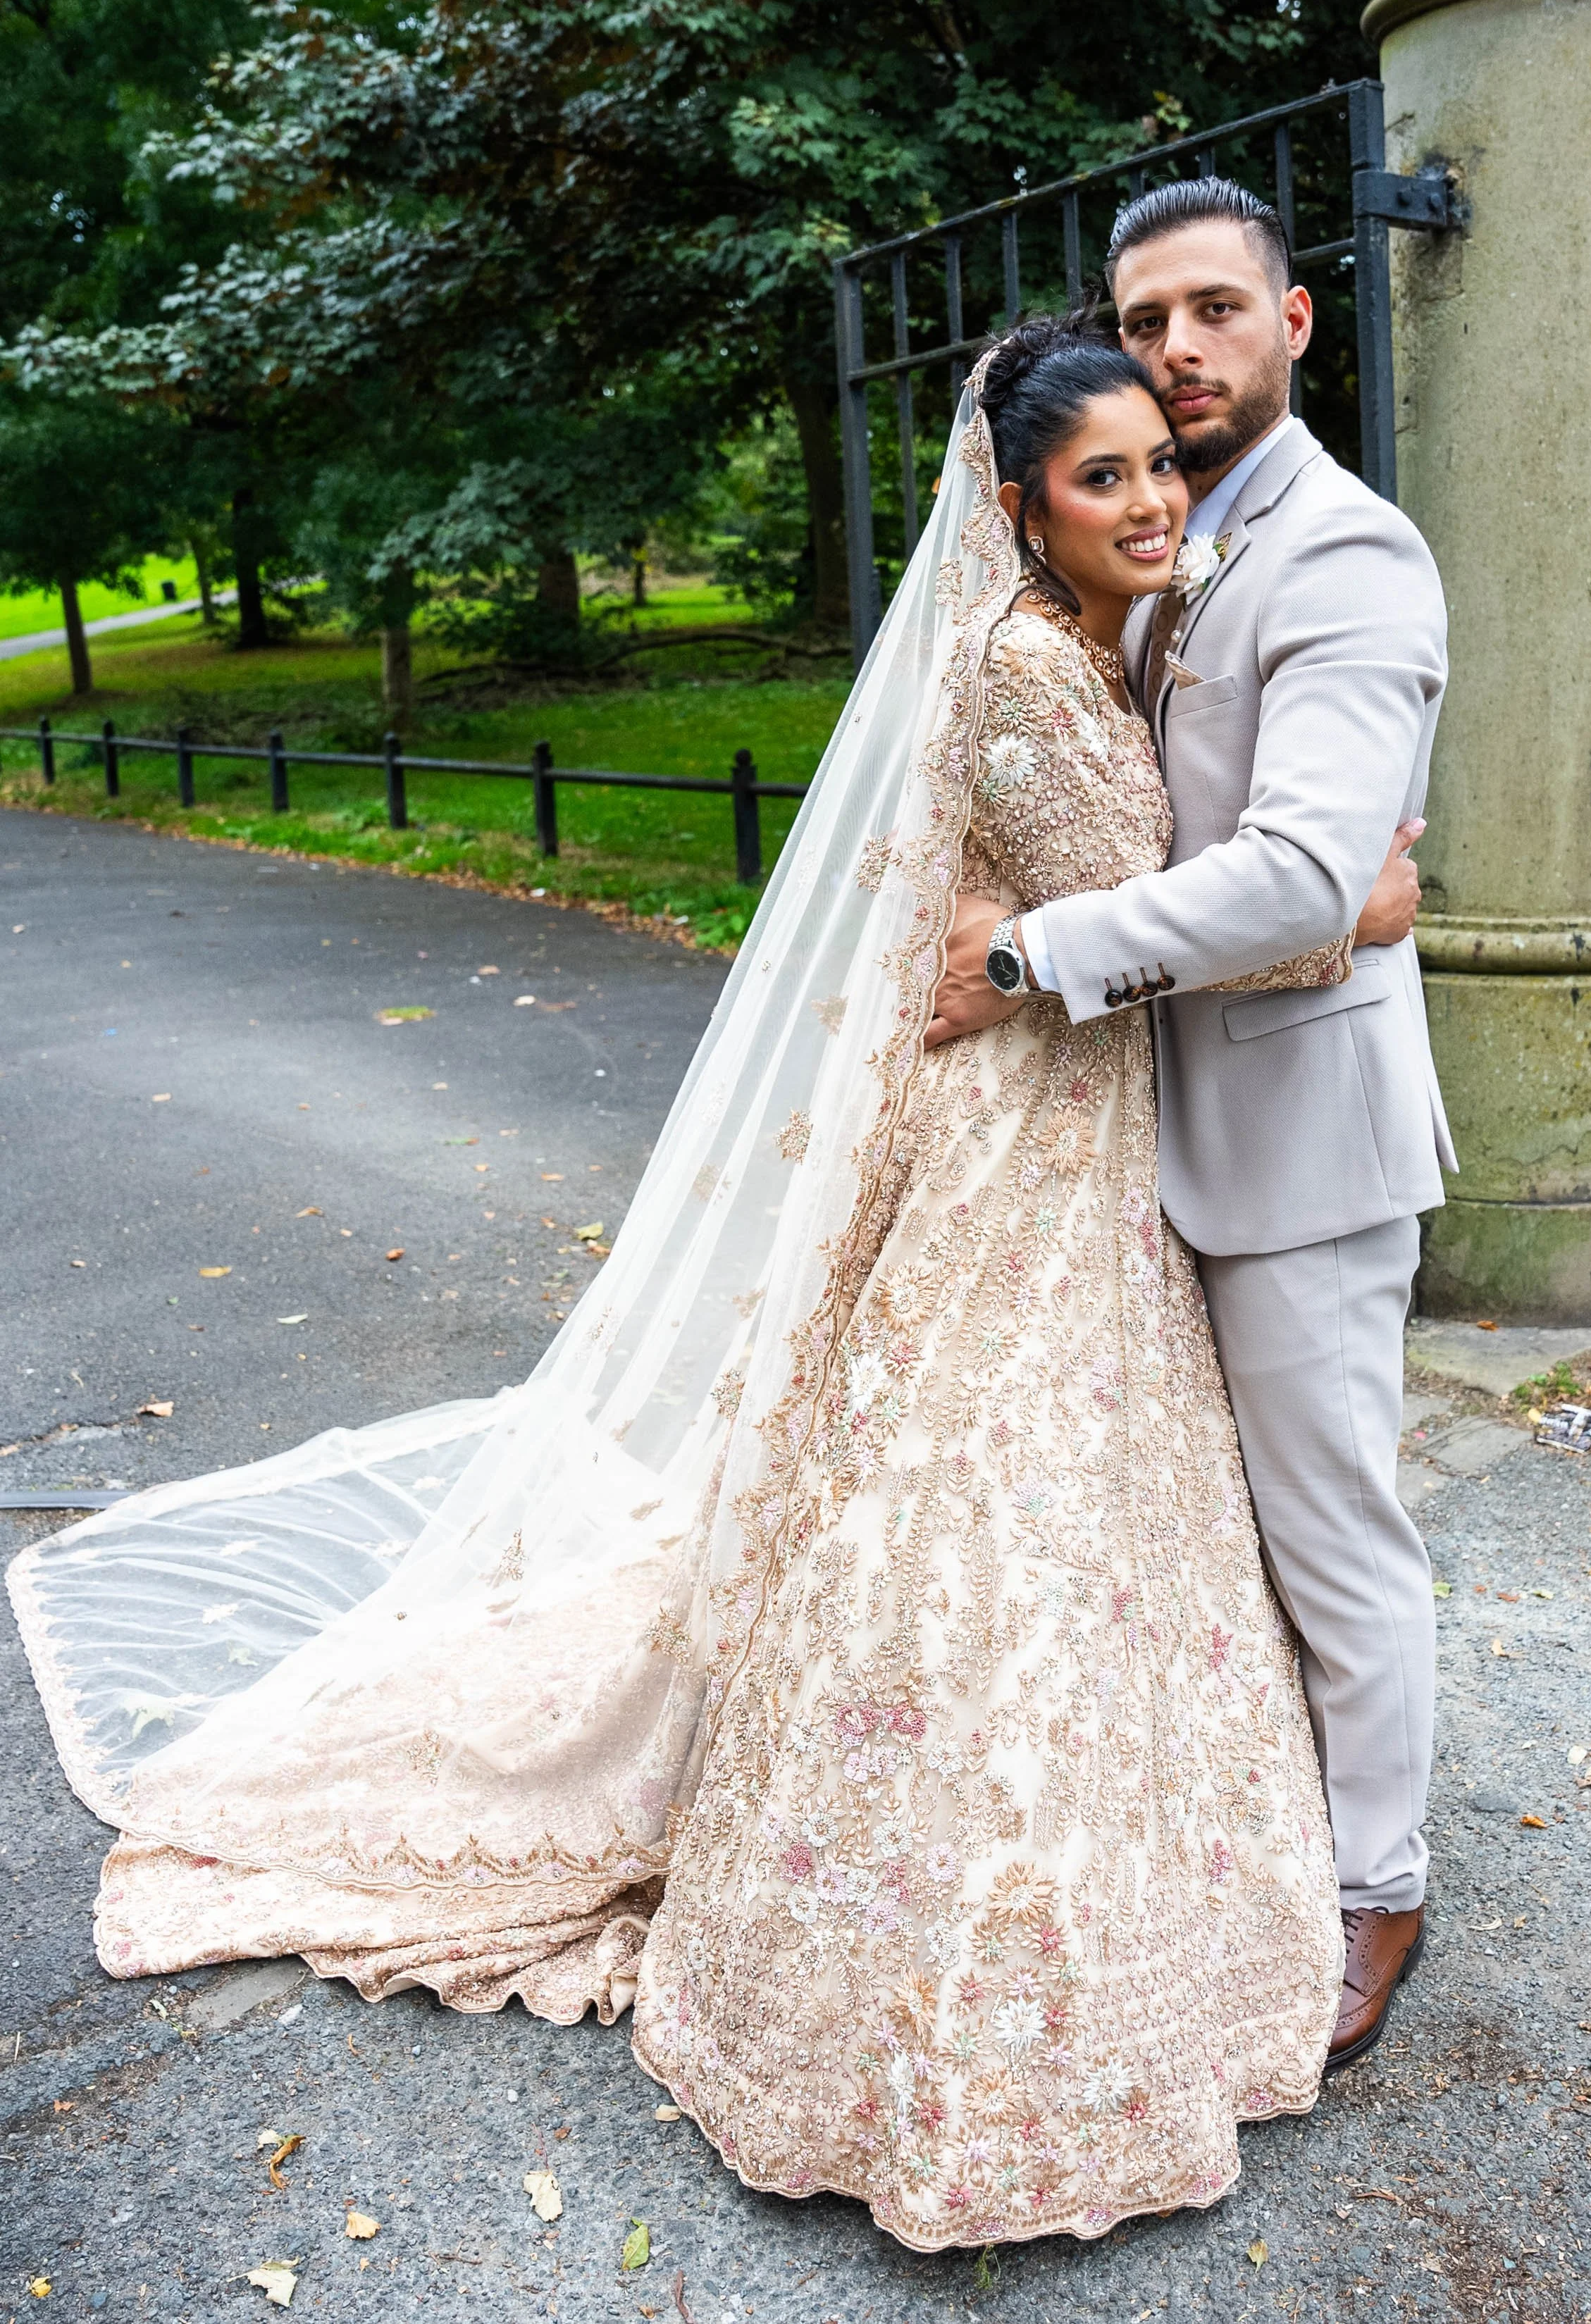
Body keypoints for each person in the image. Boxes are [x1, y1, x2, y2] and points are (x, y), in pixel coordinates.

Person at [8, 307, 1421, 2252]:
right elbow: (1182, 919)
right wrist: (1364, 888)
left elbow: (1131, 897)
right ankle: (924, 1947)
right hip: (1037, 1145)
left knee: (1069, 1513)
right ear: (1018, 505)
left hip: (1080, 1135)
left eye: (1161, 465)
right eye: (1105, 473)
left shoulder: (1085, 648)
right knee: (990, 1519)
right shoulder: (1025, 679)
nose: (1151, 495)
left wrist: (1203, 894)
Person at [927, 179, 1453, 2075]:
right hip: (1141, 1143)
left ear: (1297, 322)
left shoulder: (1349, 556)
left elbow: (1306, 871)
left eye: (1218, 309)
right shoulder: (1155, 545)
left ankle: (1380, 1886)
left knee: (1332, 1537)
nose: (1180, 349)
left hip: (1300, 1147)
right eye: (1150, 319)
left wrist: (1039, 954)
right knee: (1209, 1539)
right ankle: (1272, 1825)